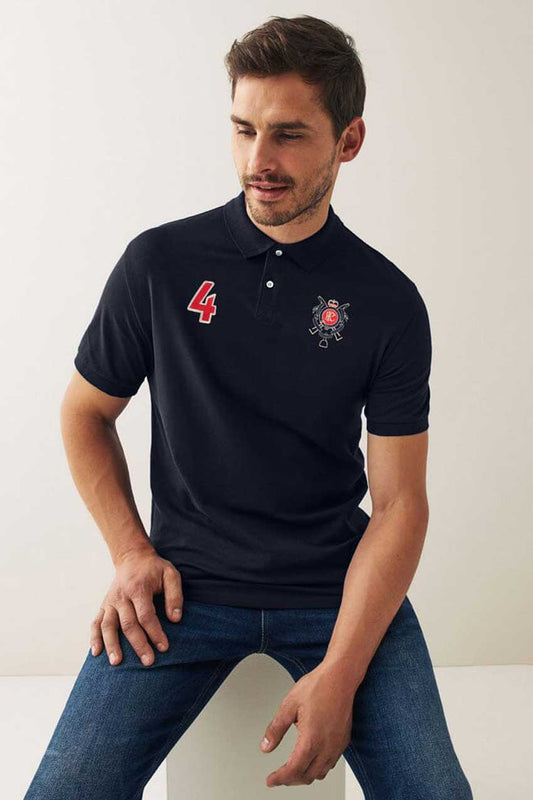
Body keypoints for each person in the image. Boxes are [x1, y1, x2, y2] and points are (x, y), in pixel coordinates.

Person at [24, 14, 473, 800]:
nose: (257, 161)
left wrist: (341, 672)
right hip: (181, 593)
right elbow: (84, 413)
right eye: (243, 130)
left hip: (334, 590)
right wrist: (131, 554)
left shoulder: (387, 301)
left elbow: (401, 503)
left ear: (349, 140)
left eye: (288, 135)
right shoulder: (160, 264)